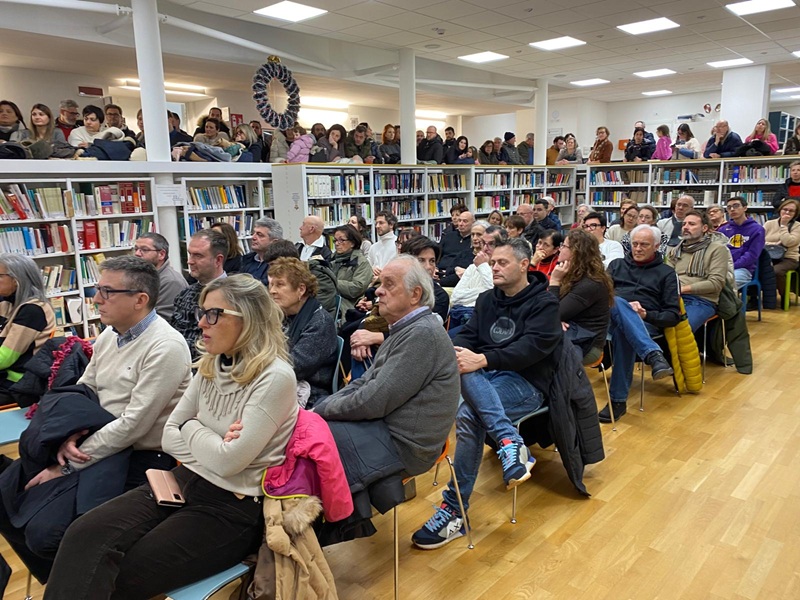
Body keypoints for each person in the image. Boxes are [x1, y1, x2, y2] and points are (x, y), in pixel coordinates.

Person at [43, 275, 297, 600]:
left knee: (121, 571)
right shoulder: (212, 362)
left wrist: (192, 429)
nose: (201, 323)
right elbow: (169, 436)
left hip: (232, 506)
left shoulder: (275, 377)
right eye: (202, 312)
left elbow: (229, 462)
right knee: (83, 534)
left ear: (248, 320)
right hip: (182, 478)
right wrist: (211, 437)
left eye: (214, 314)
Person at [0, 256, 191, 588]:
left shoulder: (166, 346)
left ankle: (84, 585)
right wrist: (68, 435)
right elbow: (84, 389)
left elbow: (134, 425)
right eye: (96, 289)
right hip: (95, 439)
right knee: (3, 495)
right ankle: (58, 581)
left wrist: (67, 465)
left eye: (107, 291)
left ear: (140, 299)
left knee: (48, 534)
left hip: (140, 455)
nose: (96, 298)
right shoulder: (110, 335)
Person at [411, 238, 562, 549]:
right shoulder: (486, 300)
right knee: (460, 366)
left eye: (502, 263)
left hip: (526, 384)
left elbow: (532, 349)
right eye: (492, 262)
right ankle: (508, 441)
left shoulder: (544, 304)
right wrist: (447, 347)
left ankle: (454, 509)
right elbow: (470, 335)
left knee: (469, 413)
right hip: (489, 379)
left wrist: (484, 358)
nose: (494, 267)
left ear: (524, 265)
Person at [313, 255, 459, 516]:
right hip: (387, 429)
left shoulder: (421, 334)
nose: (378, 289)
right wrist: (322, 409)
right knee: (310, 432)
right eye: (380, 283)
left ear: (415, 295)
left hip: (406, 446)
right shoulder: (404, 328)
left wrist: (319, 412)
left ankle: (312, 529)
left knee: (311, 443)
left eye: (389, 284)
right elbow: (364, 383)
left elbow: (373, 400)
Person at [602, 225, 679, 422]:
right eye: (635, 244)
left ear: (655, 246)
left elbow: (672, 315)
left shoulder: (666, 273)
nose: (637, 248)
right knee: (617, 301)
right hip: (609, 320)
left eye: (644, 245)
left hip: (646, 324)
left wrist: (645, 315)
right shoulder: (616, 265)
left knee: (623, 332)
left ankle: (617, 401)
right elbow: (601, 299)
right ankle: (653, 355)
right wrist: (625, 308)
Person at [268, 258, 337, 408]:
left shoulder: (320, 322)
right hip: (279, 383)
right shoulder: (282, 316)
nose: (272, 291)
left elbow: (294, 366)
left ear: (301, 289)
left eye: (280, 285)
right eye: (271, 284)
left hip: (310, 394)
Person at [548, 229, 613, 365]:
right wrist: (555, 320)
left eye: (564, 246)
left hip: (586, 344)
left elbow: (553, 312)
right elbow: (545, 307)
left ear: (576, 252)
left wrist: (554, 282)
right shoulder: (569, 273)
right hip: (568, 333)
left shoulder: (591, 283)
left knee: (533, 345)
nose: (560, 249)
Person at [665, 210, 730, 332]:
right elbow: (667, 277)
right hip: (673, 298)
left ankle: (679, 351)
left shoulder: (717, 249)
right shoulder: (675, 250)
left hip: (701, 300)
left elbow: (716, 283)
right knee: (646, 323)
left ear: (704, 228)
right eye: (684, 224)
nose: (686, 227)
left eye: (691, 224)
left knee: (681, 330)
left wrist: (682, 289)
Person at [0, 254, 55, 396]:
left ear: (16, 280)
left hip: (18, 383)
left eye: (0, 276)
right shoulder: (6, 302)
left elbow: (4, 359)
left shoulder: (33, 310)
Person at [170, 229, 228, 360]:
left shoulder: (233, 297)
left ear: (218, 260)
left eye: (198, 256)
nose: (190, 261)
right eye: (190, 254)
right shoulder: (183, 295)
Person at [449, 225, 506, 334]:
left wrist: (483, 266)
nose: (485, 248)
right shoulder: (472, 267)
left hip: (487, 319)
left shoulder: (504, 269)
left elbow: (496, 293)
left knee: (450, 340)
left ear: (503, 246)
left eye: (491, 244)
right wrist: (483, 293)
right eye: (483, 243)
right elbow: (455, 297)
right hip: (462, 315)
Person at [133, 233, 187, 321]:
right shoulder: (143, 276)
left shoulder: (171, 281)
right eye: (136, 249)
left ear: (161, 254)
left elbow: (159, 321)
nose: (137, 254)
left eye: (144, 250)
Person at [718, 196, 765, 290]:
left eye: (736, 206)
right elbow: (717, 251)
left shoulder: (757, 229)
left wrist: (732, 266)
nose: (732, 209)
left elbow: (752, 255)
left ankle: (727, 304)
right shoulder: (723, 229)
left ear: (745, 208)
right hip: (722, 267)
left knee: (725, 285)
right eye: (729, 207)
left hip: (743, 269)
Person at [331, 224, 373, 314]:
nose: (337, 244)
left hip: (350, 307)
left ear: (352, 243)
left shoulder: (361, 262)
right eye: (335, 240)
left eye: (341, 240)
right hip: (331, 301)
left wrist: (331, 282)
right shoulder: (332, 259)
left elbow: (356, 288)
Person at [763, 199, 800, 302]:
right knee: (753, 268)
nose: (787, 212)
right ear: (780, 210)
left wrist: (784, 225)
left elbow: (788, 242)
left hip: (789, 258)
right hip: (768, 256)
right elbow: (760, 241)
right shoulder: (769, 223)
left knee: (776, 271)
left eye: (791, 211)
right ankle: (754, 298)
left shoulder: (797, 226)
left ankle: (784, 296)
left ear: (795, 213)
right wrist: (775, 244)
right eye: (785, 209)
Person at [240, 217, 283, 284]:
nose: (253, 237)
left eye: (260, 235)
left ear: (274, 242)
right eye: (253, 233)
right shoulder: (246, 259)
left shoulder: (279, 263)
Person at [438, 210, 475, 286]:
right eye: (459, 221)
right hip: (439, 271)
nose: (461, 224)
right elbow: (438, 254)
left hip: (456, 274)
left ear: (473, 224)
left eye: (465, 221)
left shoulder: (474, 241)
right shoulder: (448, 236)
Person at [367, 210, 398, 276]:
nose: (377, 226)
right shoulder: (373, 247)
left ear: (391, 225)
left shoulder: (398, 245)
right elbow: (366, 268)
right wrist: (371, 269)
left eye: (381, 223)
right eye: (376, 223)